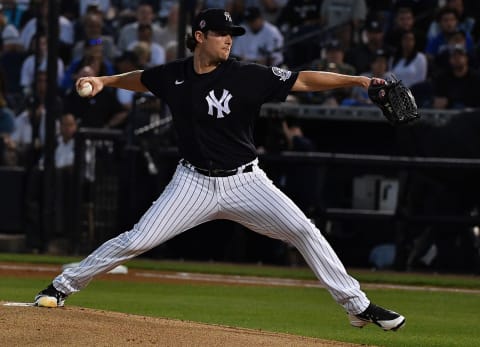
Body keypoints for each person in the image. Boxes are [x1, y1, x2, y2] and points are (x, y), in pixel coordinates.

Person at [34, 8, 405, 332]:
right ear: (199, 37)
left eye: (232, 34)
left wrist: (357, 80)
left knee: (303, 230)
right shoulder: (174, 75)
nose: (229, 40)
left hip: (246, 181)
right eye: (222, 34)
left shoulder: (246, 75)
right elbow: (143, 79)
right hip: (192, 182)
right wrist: (105, 81)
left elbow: (302, 79)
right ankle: (61, 287)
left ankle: (358, 308)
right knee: (136, 241)